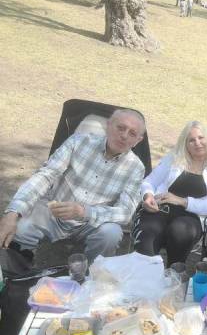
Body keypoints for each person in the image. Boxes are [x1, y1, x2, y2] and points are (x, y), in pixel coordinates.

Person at [0, 109, 146, 261]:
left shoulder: (136, 168)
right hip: (54, 209)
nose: (124, 136)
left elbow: (125, 212)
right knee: (21, 227)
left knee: (111, 233)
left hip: (92, 222)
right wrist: (13, 213)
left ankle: (93, 276)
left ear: (138, 140)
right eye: (120, 128)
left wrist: (84, 212)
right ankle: (19, 270)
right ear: (108, 125)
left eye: (132, 133)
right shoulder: (79, 141)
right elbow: (46, 175)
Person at [133, 121, 207, 264]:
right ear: (185, 144)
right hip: (159, 209)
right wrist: (148, 196)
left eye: (201, 138)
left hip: (192, 218)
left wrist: (181, 201)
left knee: (180, 230)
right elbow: (149, 182)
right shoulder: (174, 158)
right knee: (148, 236)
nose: (197, 143)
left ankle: (174, 273)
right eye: (191, 140)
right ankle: (144, 275)